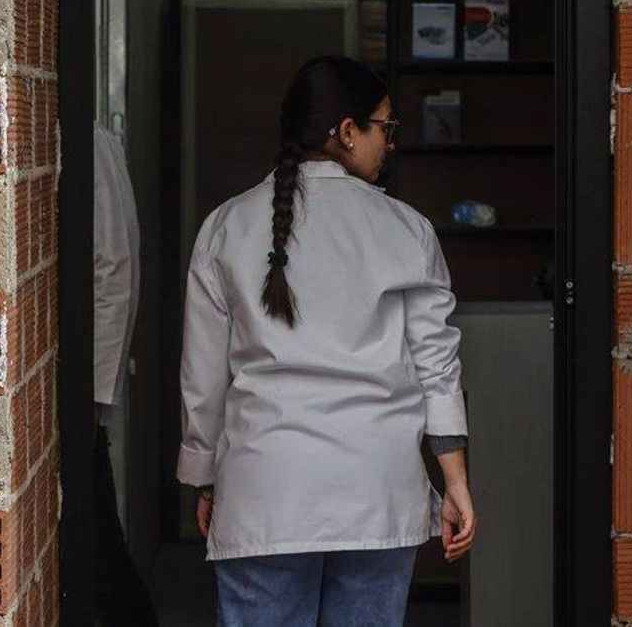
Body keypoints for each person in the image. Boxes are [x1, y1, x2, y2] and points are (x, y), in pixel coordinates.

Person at [177, 57, 475, 627]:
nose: (390, 143)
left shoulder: (225, 227)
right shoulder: (406, 228)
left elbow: (203, 378)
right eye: (385, 128)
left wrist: (207, 478)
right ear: (346, 131)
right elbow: (437, 368)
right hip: (377, 490)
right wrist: (455, 482)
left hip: (265, 488)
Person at [93, 122, 159, 625]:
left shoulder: (90, 139)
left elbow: (115, 268)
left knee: (98, 555)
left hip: (71, 401)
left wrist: (93, 396)